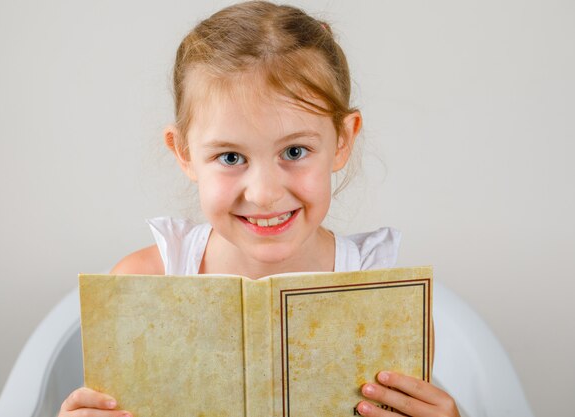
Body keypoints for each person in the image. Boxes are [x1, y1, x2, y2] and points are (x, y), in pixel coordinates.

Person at [59, 2, 461, 417]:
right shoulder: (137, 287)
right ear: (183, 152)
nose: (265, 194)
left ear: (342, 140)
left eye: (294, 150)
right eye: (231, 157)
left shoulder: (391, 306)